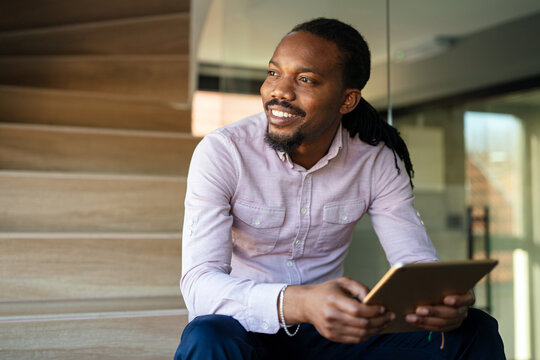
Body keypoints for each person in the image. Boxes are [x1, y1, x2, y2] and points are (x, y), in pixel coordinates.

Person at [175, 18, 505, 359]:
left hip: (332, 335)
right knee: (206, 334)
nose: (279, 92)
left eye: (305, 79)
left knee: (474, 328)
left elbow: (414, 265)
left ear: (347, 100)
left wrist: (438, 303)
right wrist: (301, 303)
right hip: (248, 327)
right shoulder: (224, 152)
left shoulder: (375, 161)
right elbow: (200, 287)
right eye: (274, 73)